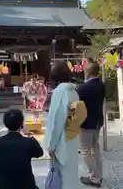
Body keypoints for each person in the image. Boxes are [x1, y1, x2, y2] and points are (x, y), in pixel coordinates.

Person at [44, 61, 81, 189]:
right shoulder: (74, 92)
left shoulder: (60, 92)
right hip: (72, 137)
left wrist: (51, 145)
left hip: (61, 142)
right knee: (70, 175)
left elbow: (56, 122)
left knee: (61, 178)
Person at [0, 109, 43, 189]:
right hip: (25, 184)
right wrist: (29, 135)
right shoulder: (28, 142)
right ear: (22, 124)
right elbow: (40, 153)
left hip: (2, 184)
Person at [77, 61, 105, 187]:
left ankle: (95, 176)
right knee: (95, 148)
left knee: (85, 150)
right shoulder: (101, 85)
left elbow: (77, 104)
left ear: (87, 72)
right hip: (97, 120)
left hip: (86, 122)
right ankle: (97, 174)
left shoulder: (84, 87)